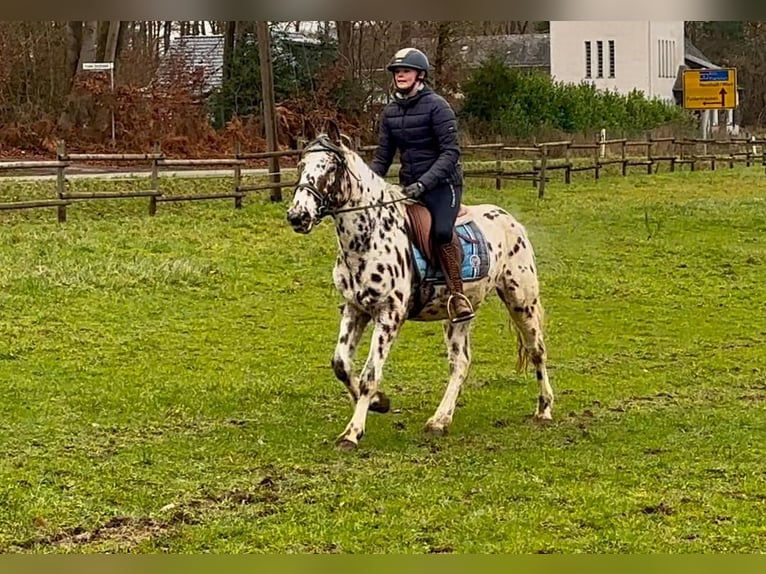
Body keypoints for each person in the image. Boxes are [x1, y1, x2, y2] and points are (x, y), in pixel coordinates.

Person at [370, 48, 475, 324]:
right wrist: (367, 185)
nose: (400, 75)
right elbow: (383, 157)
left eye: (406, 70)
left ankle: (457, 295)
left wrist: (424, 183)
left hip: (443, 186)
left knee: (441, 232)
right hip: (409, 188)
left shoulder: (438, 106)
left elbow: (450, 153)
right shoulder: (390, 112)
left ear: (420, 75)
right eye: (397, 71)